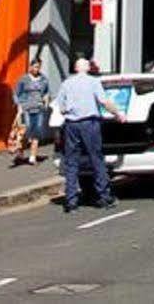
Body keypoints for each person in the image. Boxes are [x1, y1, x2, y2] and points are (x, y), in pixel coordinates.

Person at [53, 57, 122, 212]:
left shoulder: (66, 83)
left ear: (76, 68)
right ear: (88, 68)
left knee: (71, 162)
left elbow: (61, 107)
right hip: (90, 123)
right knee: (96, 159)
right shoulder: (93, 82)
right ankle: (104, 197)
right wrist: (118, 114)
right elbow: (104, 102)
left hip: (71, 125)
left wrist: (72, 109)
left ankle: (71, 202)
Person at [11, 58, 51, 167]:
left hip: (38, 108)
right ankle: (19, 151)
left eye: (38, 67)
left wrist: (46, 101)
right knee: (26, 131)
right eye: (34, 67)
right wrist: (19, 106)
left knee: (36, 132)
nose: (36, 69)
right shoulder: (23, 79)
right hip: (26, 108)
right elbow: (16, 93)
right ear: (30, 67)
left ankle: (32, 157)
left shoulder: (43, 79)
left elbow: (47, 92)